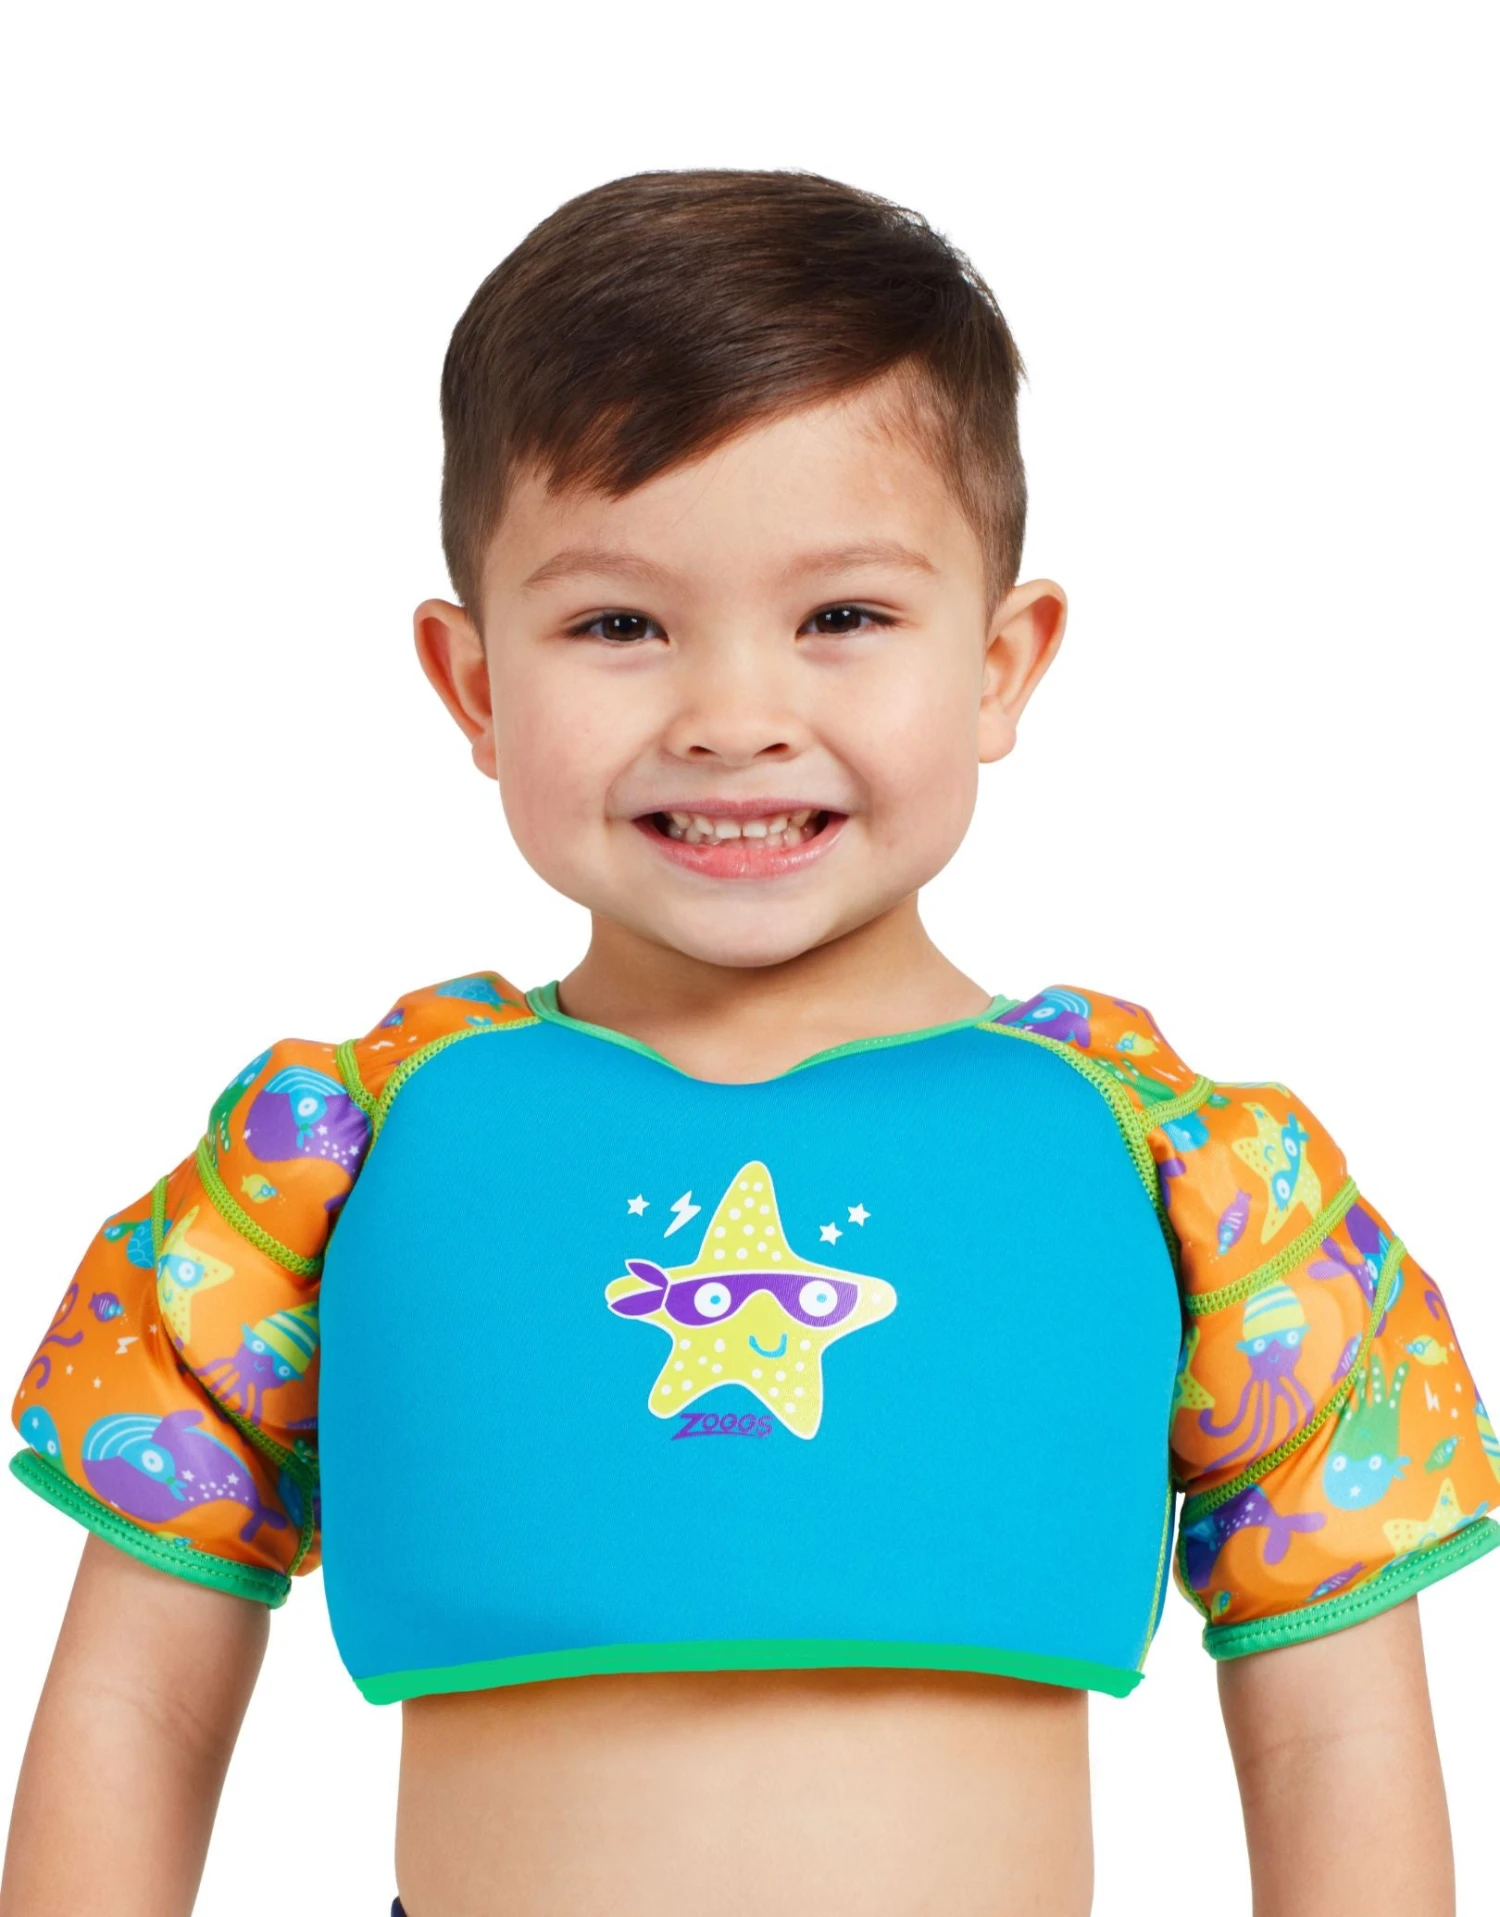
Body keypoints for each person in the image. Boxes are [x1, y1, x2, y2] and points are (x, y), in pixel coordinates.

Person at [3, 167, 1496, 1917]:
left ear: (1002, 664)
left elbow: (1334, 1735)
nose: (731, 718)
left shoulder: (1189, 1174)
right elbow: (136, 1699)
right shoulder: (328, 1159)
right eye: (618, 625)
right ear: (475, 685)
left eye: (841, 618)